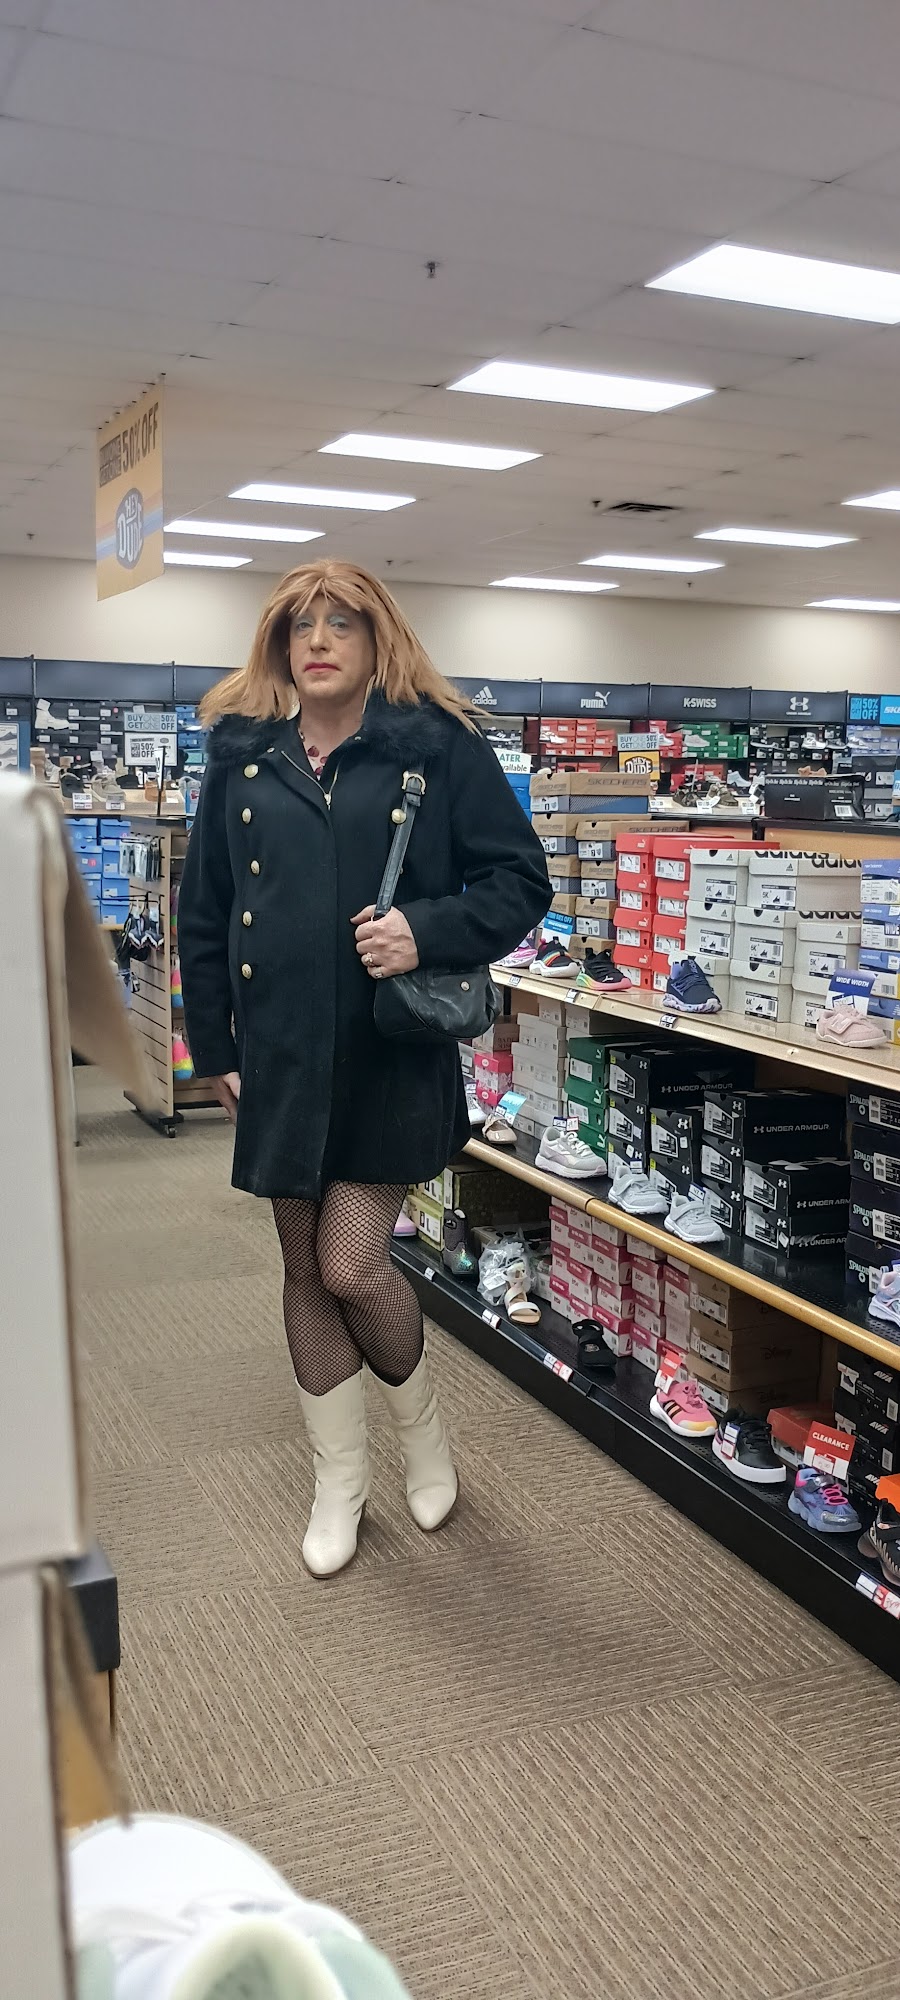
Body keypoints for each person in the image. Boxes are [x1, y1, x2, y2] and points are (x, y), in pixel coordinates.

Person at [178, 559, 551, 1578]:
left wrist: (426, 929)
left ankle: (423, 1433)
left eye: (341, 621)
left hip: (390, 1051)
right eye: (301, 624)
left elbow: (520, 878)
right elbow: (204, 911)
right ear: (279, 642)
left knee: (350, 1264)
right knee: (302, 1269)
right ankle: (337, 1483)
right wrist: (214, 1047)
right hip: (281, 1055)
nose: (319, 640)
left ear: (377, 635)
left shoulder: (435, 744)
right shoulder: (243, 756)